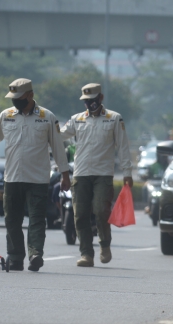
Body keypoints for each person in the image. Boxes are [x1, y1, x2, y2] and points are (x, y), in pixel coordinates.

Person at [0, 78, 71, 272]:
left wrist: (65, 174)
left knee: (36, 218)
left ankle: (35, 254)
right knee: (12, 219)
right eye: (13, 98)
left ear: (30, 95)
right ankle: (16, 257)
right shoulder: (6, 115)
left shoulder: (46, 117)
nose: (15, 101)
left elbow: (58, 147)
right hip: (12, 177)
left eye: (19, 97)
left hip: (38, 179)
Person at [60, 83, 133, 267]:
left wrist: (127, 172)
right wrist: (45, 128)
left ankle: (105, 244)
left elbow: (123, 147)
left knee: (101, 211)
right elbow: (59, 135)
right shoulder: (76, 119)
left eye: (92, 100)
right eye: (85, 101)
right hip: (81, 173)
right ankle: (86, 254)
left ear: (100, 99)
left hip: (103, 173)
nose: (89, 104)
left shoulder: (114, 118)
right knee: (80, 215)